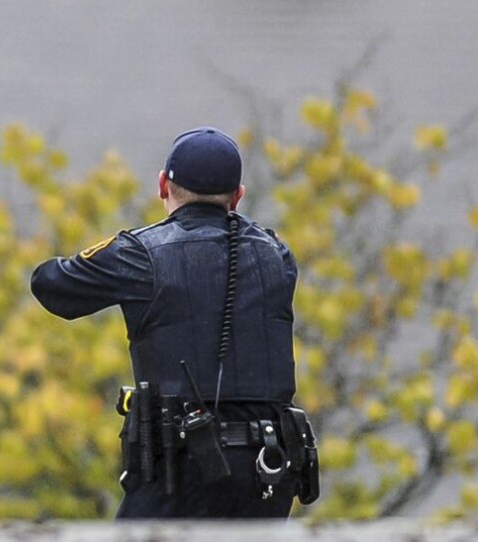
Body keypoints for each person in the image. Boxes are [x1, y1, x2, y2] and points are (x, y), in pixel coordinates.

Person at [30, 127, 318, 518]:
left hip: (181, 471)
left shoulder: (142, 254)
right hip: (267, 470)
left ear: (163, 185)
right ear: (238, 196)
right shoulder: (278, 256)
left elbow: (51, 286)